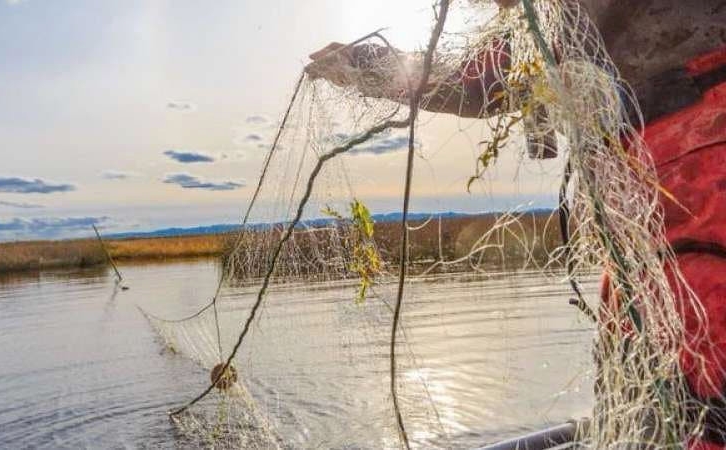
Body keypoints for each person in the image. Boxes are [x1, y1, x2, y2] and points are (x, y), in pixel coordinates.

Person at [306, 1, 726, 448]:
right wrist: (364, 63)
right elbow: (480, 79)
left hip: (696, 194)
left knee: (697, 400)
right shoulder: (547, 19)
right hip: (645, 230)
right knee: (647, 394)